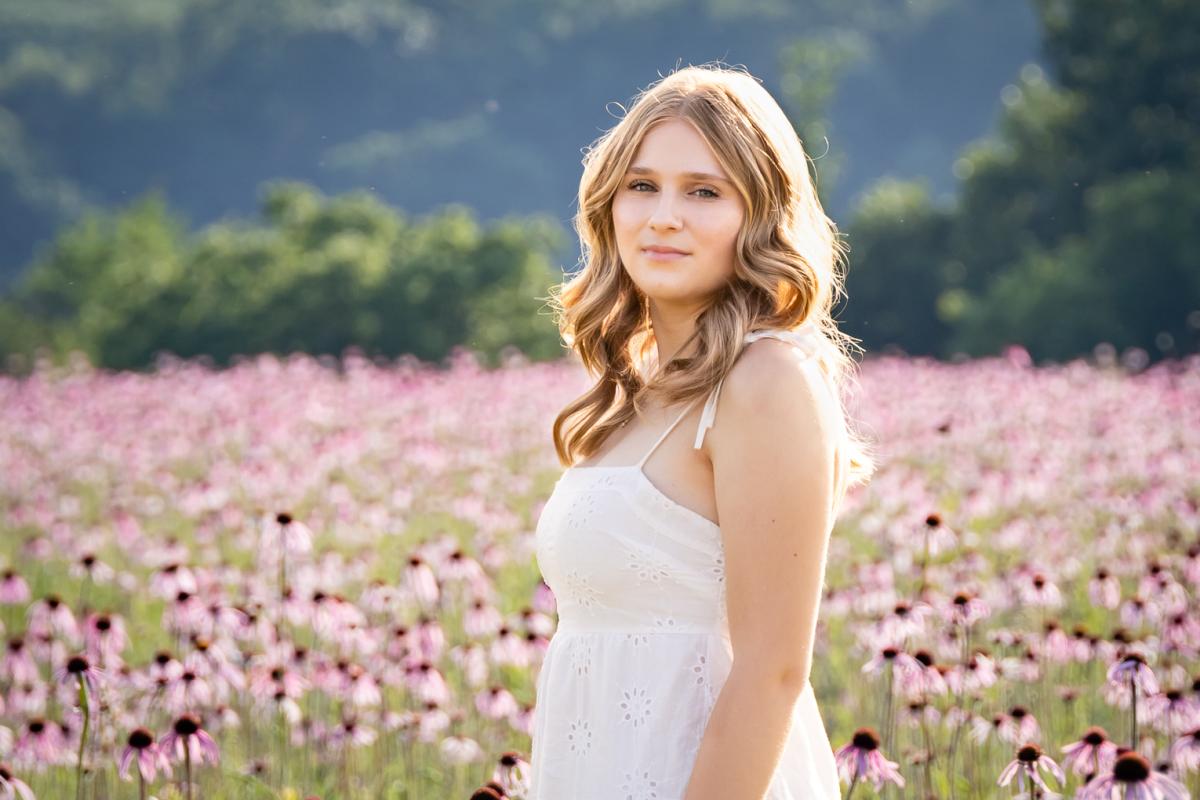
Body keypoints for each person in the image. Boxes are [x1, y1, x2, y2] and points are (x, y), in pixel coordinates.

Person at [529, 63, 877, 800]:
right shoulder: (635, 388)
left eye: (705, 192)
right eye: (642, 185)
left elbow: (774, 669)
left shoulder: (766, 383)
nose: (662, 216)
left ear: (761, 216)